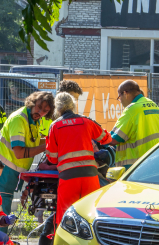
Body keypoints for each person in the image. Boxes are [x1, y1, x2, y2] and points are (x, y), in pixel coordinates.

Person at [46, 92, 113, 226]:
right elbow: (107, 139)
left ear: (57, 108)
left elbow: (52, 158)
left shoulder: (55, 126)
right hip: (90, 176)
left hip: (68, 178)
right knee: (91, 215)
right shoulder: (86, 121)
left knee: (65, 218)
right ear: (74, 105)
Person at [0, 91, 55, 214]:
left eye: (45, 111)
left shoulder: (34, 119)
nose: (40, 113)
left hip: (8, 172)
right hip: (1, 172)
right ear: (32, 103)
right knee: (0, 214)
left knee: (2, 212)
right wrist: (48, 145)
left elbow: (33, 141)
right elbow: (19, 154)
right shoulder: (19, 119)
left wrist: (53, 139)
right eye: (39, 107)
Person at [109, 80, 159, 169]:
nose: (120, 101)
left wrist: (98, 137)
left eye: (119, 97)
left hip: (136, 166)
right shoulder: (154, 105)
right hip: (157, 160)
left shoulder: (131, 109)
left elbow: (114, 139)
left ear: (125, 93)